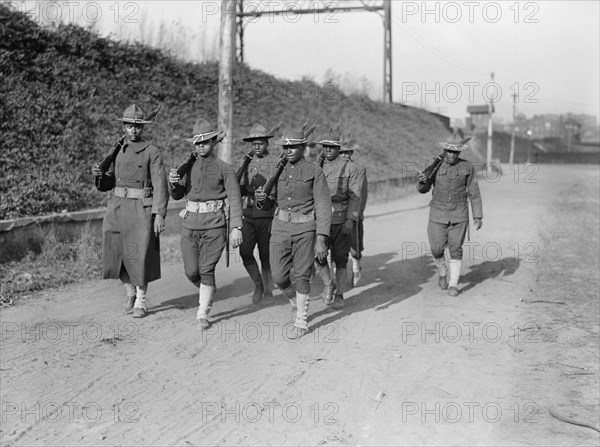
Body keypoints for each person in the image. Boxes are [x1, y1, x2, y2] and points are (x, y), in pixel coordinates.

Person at [91, 104, 168, 318]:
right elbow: (108, 183)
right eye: (129, 126)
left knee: (139, 255)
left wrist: (159, 213)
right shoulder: (117, 149)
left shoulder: (152, 152)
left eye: (137, 127)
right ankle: (129, 291)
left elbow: (161, 184)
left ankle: (141, 301)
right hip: (116, 206)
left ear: (143, 128)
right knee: (113, 250)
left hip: (140, 208)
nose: (133, 131)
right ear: (124, 126)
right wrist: (99, 174)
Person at [256, 123, 331, 339]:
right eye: (285, 147)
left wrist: (321, 237)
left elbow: (324, 206)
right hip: (280, 227)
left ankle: (301, 320)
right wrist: (262, 200)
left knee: (301, 275)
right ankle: (293, 300)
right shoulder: (276, 169)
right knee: (279, 276)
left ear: (302, 147)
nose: (288, 150)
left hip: (305, 228)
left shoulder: (314, 170)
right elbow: (269, 203)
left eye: (293, 147)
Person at [168, 118, 243, 329]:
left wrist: (236, 227)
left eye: (205, 142)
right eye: (197, 143)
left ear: (213, 142)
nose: (201, 146)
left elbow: (235, 198)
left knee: (206, 269)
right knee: (192, 272)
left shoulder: (224, 168)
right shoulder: (187, 167)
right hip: (190, 224)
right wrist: (173, 184)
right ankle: (208, 289)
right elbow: (178, 195)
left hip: (215, 225)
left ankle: (203, 313)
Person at [417, 134, 483, 297]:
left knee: (455, 248)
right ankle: (441, 269)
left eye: (456, 152)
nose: (452, 155)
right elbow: (423, 189)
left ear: (460, 153)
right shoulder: (435, 165)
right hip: (437, 212)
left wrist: (478, 215)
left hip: (459, 213)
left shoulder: (467, 167)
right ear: (445, 150)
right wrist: (421, 181)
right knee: (436, 248)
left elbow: (474, 192)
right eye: (449, 151)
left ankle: (453, 284)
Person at [315, 129, 362, 309]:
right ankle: (329, 283)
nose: (328, 150)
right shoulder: (316, 167)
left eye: (332, 146)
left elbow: (355, 197)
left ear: (338, 147)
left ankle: (340, 294)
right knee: (317, 255)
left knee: (340, 258)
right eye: (325, 146)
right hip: (320, 220)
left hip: (341, 218)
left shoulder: (351, 168)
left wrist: (351, 219)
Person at [238, 123, 280, 304]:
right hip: (248, 214)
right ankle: (258, 284)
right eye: (253, 143)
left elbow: (278, 190)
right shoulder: (246, 162)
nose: (256, 147)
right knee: (245, 251)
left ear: (267, 143)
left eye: (260, 143)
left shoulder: (276, 163)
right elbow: (236, 185)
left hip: (267, 214)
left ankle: (269, 290)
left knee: (265, 255)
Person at [339, 142, 368, 287]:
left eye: (347, 152)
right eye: (341, 152)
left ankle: (356, 266)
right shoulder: (330, 168)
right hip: (335, 213)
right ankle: (337, 278)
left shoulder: (359, 169)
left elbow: (360, 194)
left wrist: (356, 215)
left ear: (351, 153)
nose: (343, 155)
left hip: (352, 211)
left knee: (354, 249)